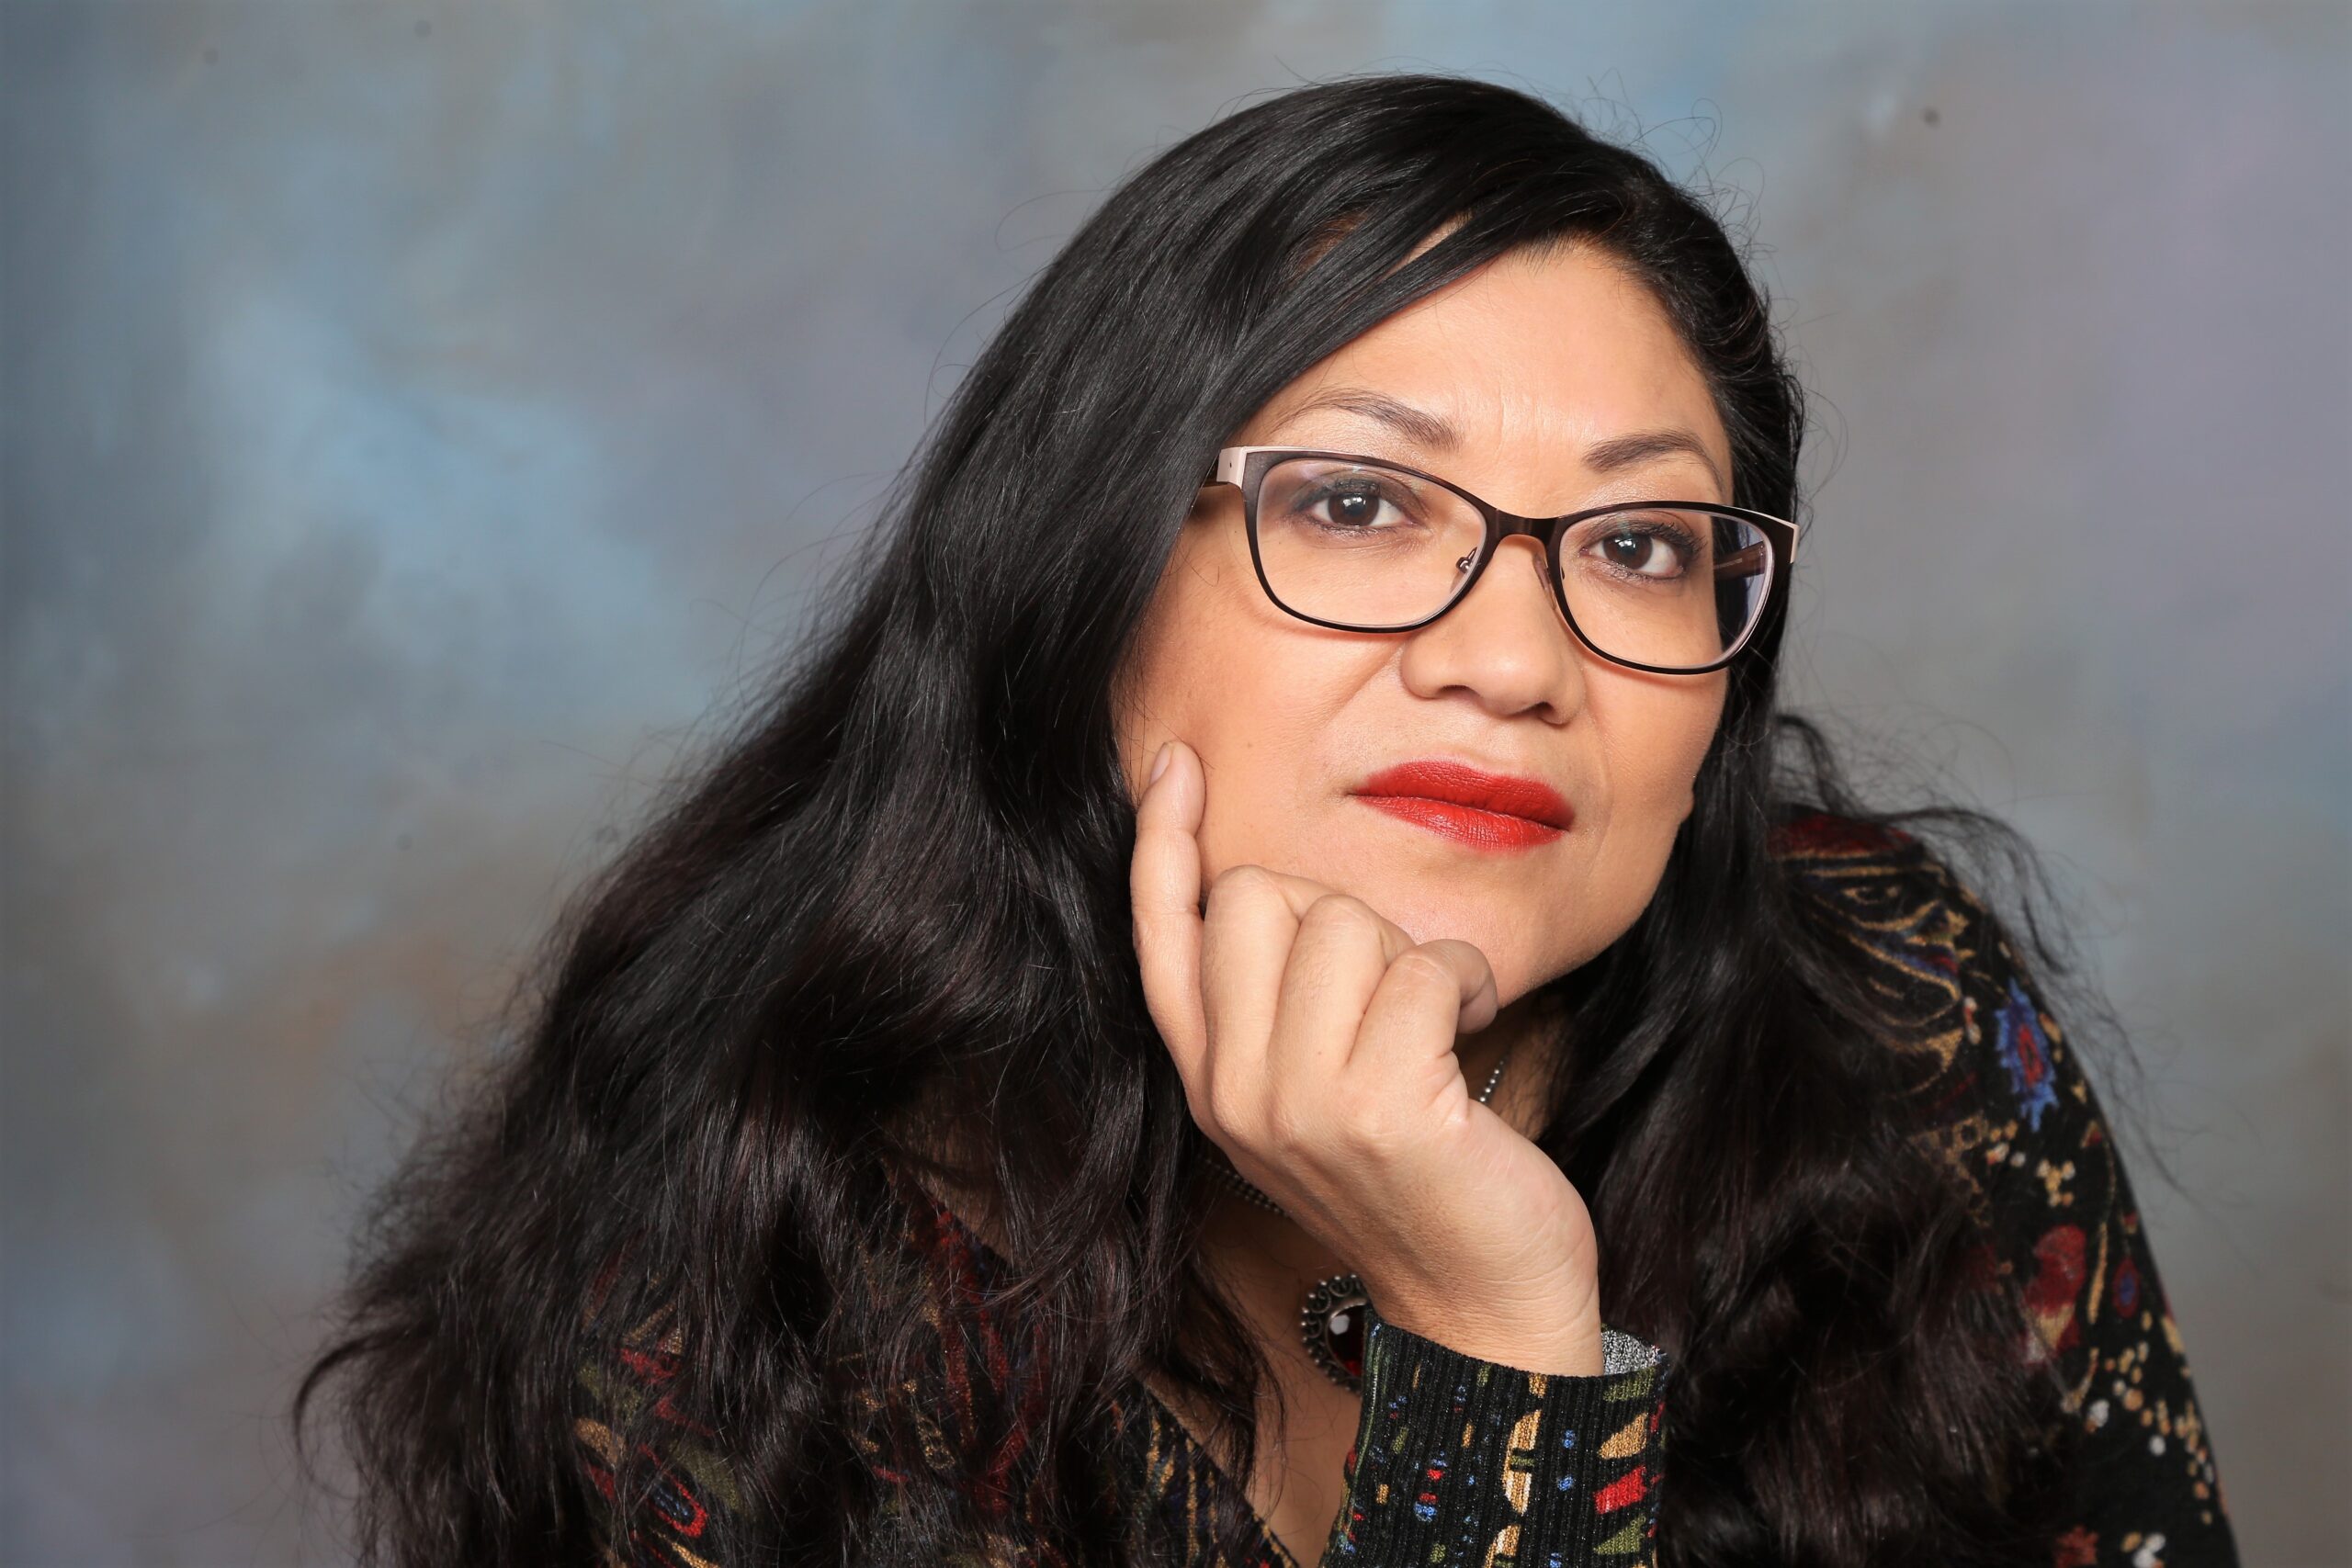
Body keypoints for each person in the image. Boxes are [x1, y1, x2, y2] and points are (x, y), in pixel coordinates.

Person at [295, 73, 2240, 1568]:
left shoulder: (1891, 1006)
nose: (1509, 656)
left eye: (1642, 543)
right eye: (1353, 504)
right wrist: (1495, 1356)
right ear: (1087, 576)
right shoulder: (737, 1246)